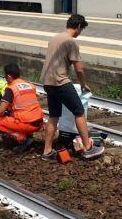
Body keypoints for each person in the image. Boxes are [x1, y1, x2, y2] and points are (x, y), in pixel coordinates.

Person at [40, 14, 104, 160]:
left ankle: (47, 151)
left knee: (54, 116)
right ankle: (88, 148)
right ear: (79, 27)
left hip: (48, 82)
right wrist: (83, 84)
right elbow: (79, 69)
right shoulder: (71, 42)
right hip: (60, 81)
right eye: (81, 30)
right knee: (79, 111)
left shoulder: (55, 38)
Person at [0, 63, 44, 153]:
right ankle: (28, 136)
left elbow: (0, 111)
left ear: (8, 76)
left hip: (27, 124)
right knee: (21, 116)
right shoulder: (30, 85)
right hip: (39, 122)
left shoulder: (11, 88)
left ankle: (23, 138)